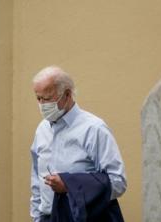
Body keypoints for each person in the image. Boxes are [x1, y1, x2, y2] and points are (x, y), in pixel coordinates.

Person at [30, 66, 127, 222]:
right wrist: (36, 217)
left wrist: (70, 186)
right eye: (38, 98)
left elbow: (118, 182)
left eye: (47, 99)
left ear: (67, 94)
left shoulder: (94, 129)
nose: (42, 104)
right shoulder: (42, 130)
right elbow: (36, 181)